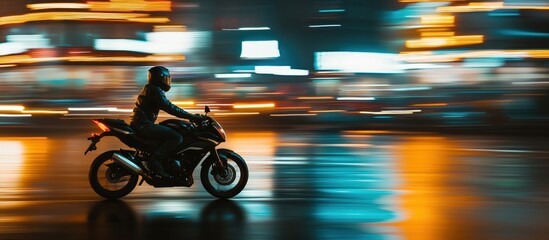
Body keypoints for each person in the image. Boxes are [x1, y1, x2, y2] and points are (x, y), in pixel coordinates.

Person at [130, 66, 202, 179]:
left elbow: (168, 107)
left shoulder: (150, 88)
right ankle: (156, 162)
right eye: (166, 79)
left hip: (141, 124)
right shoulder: (155, 90)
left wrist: (189, 116)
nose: (167, 82)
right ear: (160, 78)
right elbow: (170, 107)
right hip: (143, 125)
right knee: (176, 137)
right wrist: (191, 116)